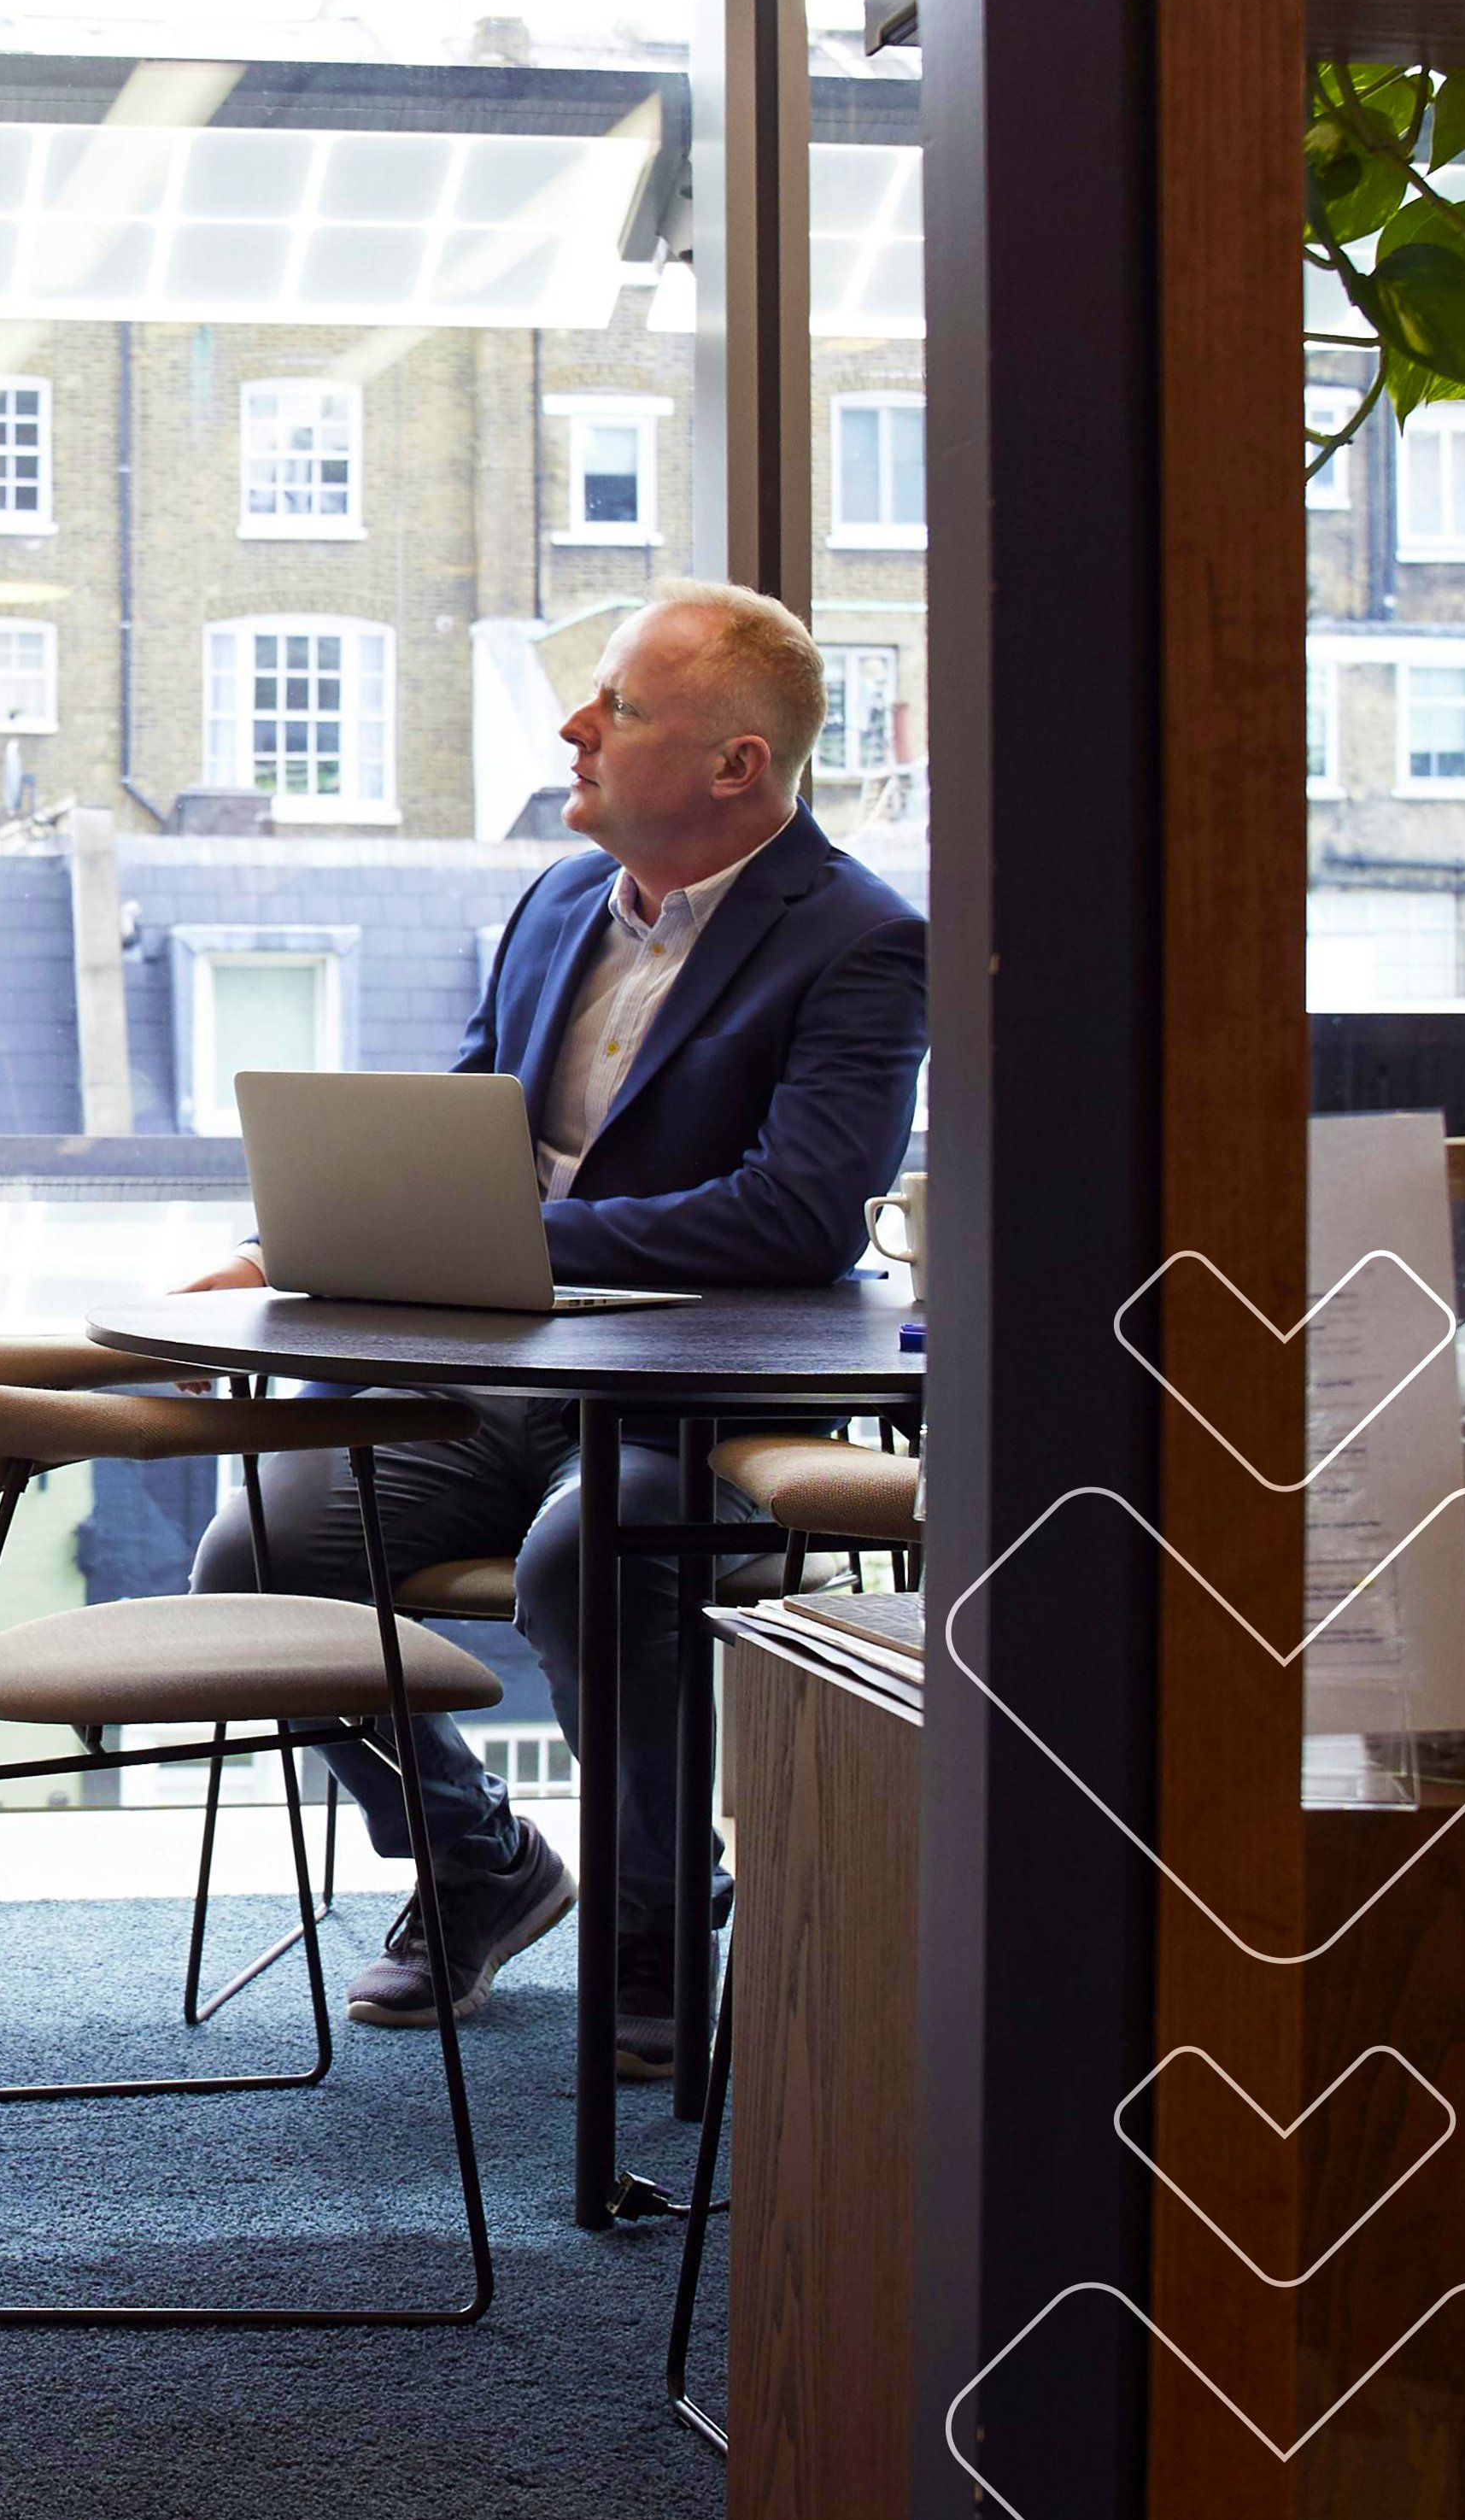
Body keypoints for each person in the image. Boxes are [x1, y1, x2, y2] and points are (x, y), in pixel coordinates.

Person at [180, 581, 927, 2077]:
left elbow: (792, 1216)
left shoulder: (859, 940)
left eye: (624, 710)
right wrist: (306, 1241)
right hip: (502, 1383)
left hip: (698, 1406)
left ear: (737, 767)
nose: (577, 730)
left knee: (588, 1562)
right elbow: (464, 1136)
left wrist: (507, 1243)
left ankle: (656, 1923)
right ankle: (476, 1860)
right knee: (260, 1555)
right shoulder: (551, 908)